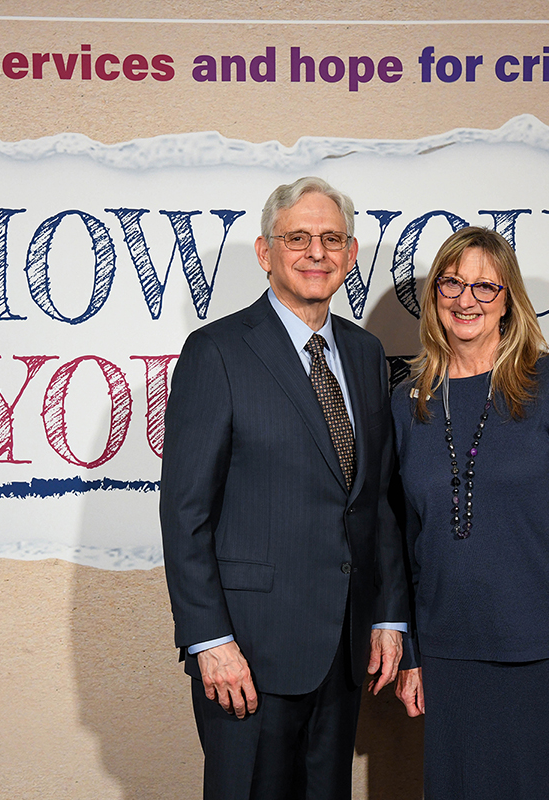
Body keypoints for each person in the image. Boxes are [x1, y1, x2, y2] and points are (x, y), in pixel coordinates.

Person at [159, 177, 409, 800]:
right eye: (297, 238)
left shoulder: (365, 352)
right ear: (265, 252)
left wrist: (388, 613)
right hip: (248, 653)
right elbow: (185, 512)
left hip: (344, 651)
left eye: (330, 239)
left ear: (352, 255)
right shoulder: (215, 351)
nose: (315, 253)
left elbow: (376, 501)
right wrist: (210, 640)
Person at [392, 226, 549, 798]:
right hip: (447, 651)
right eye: (452, 283)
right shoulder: (407, 402)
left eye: (485, 287)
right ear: (435, 294)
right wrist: (412, 652)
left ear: (508, 301)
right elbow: (398, 541)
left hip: (541, 649)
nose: (466, 300)